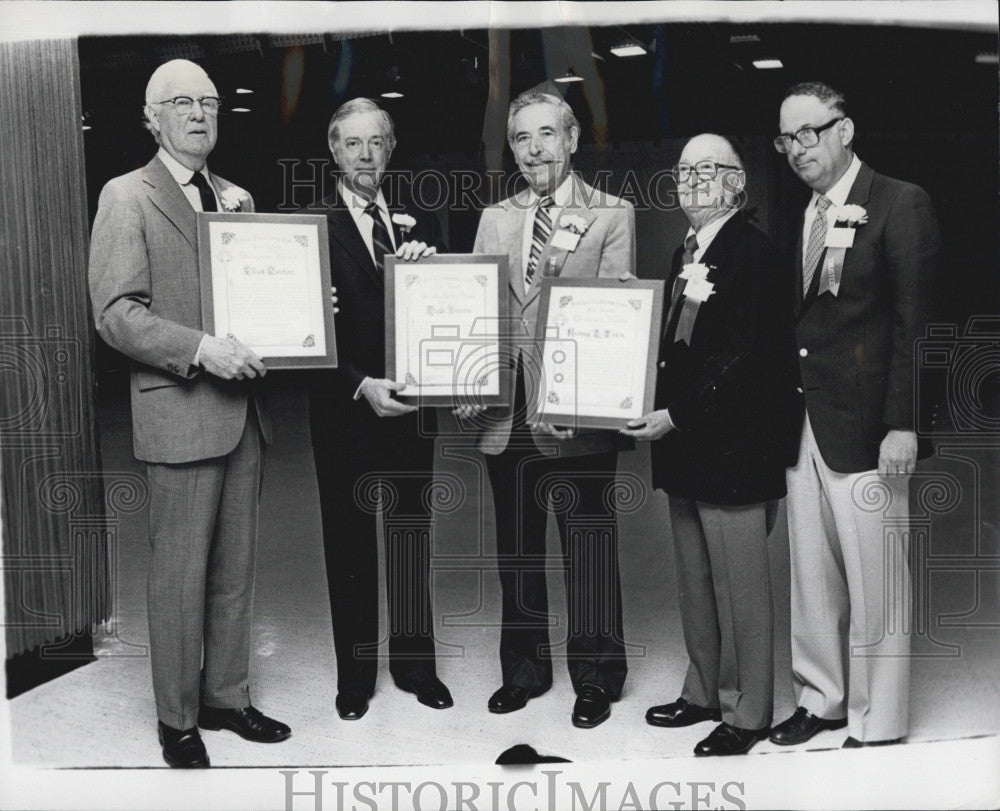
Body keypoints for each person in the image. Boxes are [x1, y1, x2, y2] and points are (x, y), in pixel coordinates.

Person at [88, 59, 289, 768]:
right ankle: (177, 717)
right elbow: (115, 314)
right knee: (178, 575)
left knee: (236, 570)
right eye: (182, 102)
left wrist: (300, 319)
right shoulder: (127, 196)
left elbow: (258, 297)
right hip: (178, 410)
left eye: (208, 102)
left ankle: (226, 697)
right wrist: (201, 347)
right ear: (152, 118)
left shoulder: (237, 195)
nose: (200, 113)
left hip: (242, 415)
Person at [451, 90, 634, 728]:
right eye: (522, 138)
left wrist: (574, 400)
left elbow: (612, 320)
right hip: (509, 413)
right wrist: (469, 380)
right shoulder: (496, 217)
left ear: (572, 139)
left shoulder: (612, 213)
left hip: (577, 414)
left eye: (546, 135)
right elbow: (479, 313)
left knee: (588, 546)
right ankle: (524, 671)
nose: (534, 149)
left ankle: (597, 675)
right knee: (518, 551)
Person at [769, 81, 942, 748]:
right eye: (787, 138)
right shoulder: (804, 214)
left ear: (846, 130)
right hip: (805, 423)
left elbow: (916, 324)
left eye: (810, 132)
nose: (797, 149)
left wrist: (906, 421)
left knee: (877, 580)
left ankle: (878, 718)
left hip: (871, 428)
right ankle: (822, 696)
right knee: (811, 572)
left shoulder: (900, 203)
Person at [622, 134, 790, 756]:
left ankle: (752, 712)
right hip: (686, 444)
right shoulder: (684, 251)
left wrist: (677, 414)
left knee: (740, 583)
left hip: (734, 448)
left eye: (709, 169)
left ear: (737, 185)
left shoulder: (753, 253)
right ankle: (702, 691)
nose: (693, 179)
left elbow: (747, 360)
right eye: (684, 169)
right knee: (695, 577)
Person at [304, 98, 452, 721]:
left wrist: (436, 272)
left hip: (413, 412)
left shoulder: (421, 226)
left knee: (412, 538)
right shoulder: (308, 228)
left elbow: (446, 311)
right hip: (346, 410)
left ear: (389, 151)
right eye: (352, 144)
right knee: (349, 546)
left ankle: (416, 667)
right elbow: (302, 338)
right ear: (335, 152)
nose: (365, 155)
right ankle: (355, 677)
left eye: (376, 143)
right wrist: (360, 384)